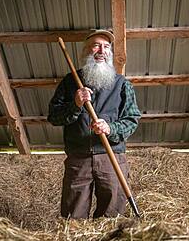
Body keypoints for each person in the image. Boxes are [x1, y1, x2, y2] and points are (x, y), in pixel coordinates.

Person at [47, 30, 141, 219]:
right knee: (73, 218)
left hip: (111, 157)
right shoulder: (70, 82)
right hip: (78, 159)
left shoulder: (122, 85)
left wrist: (110, 128)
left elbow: (132, 119)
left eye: (107, 46)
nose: (102, 50)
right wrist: (75, 105)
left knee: (111, 217)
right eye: (96, 45)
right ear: (86, 51)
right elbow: (54, 117)